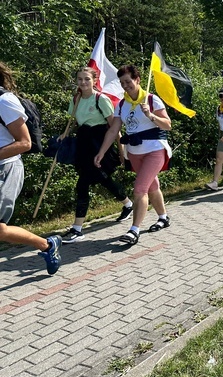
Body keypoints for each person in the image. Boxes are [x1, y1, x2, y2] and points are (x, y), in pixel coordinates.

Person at [94, 65, 172, 245]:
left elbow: (167, 125)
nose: (125, 85)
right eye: (122, 83)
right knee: (152, 186)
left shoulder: (152, 100)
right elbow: (113, 130)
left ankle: (133, 230)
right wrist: (102, 152)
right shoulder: (122, 104)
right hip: (135, 152)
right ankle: (163, 217)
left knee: (139, 189)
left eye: (128, 81)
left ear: (137, 80)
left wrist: (151, 115)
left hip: (155, 149)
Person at [0, 62, 61, 273]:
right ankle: (47, 245)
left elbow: (24, 143)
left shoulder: (4, 101)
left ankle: (47, 245)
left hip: (6, 169)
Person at [61, 67, 133, 244]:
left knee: (83, 183)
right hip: (84, 143)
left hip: (100, 142)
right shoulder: (76, 99)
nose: (83, 83)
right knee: (103, 179)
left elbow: (114, 128)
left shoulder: (101, 99)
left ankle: (77, 229)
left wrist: (121, 151)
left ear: (94, 80)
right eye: (79, 79)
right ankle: (128, 204)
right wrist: (65, 133)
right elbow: (74, 121)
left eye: (86, 79)